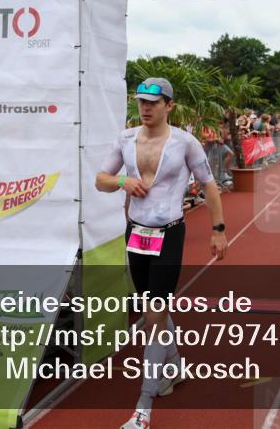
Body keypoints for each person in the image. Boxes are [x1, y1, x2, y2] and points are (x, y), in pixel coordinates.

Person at [95, 77, 227, 429]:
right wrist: (122, 181)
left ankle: (143, 407)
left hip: (169, 233)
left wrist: (218, 230)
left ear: (169, 105)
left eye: (154, 102)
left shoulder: (185, 142)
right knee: (149, 304)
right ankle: (175, 364)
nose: (146, 108)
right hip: (136, 233)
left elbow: (210, 185)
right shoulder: (125, 139)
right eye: (141, 102)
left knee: (154, 314)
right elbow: (100, 179)